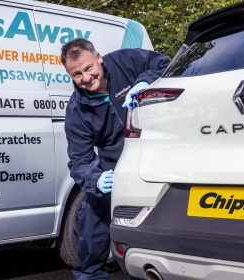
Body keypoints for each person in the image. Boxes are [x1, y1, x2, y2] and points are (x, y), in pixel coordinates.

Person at [61, 38, 170, 279]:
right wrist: (96, 180)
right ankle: (90, 273)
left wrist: (144, 82)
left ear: (98, 57)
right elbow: (79, 160)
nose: (86, 78)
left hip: (159, 151)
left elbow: (167, 63)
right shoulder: (76, 111)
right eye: (77, 74)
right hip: (115, 162)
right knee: (92, 211)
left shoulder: (126, 61)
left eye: (88, 68)